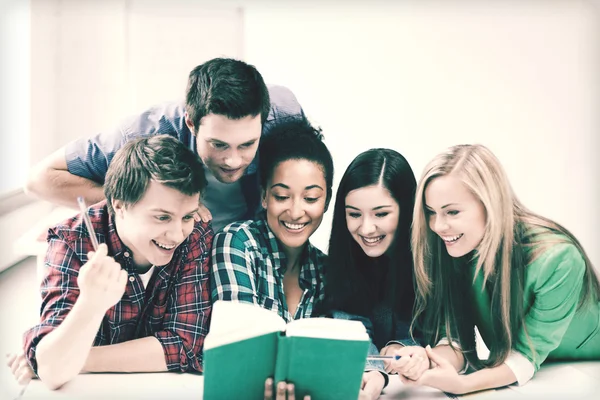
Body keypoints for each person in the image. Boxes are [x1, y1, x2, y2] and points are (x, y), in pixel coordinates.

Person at [9, 135, 213, 389]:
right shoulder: (72, 241)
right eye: (162, 218)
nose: (176, 235)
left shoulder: (196, 234)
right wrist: (91, 304)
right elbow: (52, 372)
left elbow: (185, 344)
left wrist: (77, 358)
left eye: (187, 217)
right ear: (119, 204)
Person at [400, 144, 600, 395]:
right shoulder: (457, 247)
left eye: (452, 211)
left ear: (490, 204)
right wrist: (425, 360)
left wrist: (464, 385)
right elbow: (455, 339)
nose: (438, 226)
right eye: (431, 212)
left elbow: (525, 358)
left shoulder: (558, 258)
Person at [24, 57, 305, 232]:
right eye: (218, 145)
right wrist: (152, 203)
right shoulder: (147, 132)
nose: (232, 160)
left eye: (246, 145)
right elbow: (40, 180)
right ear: (191, 123)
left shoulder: (285, 116)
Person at [211, 117, 333, 399]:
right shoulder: (237, 243)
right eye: (282, 196)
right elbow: (240, 350)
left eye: (311, 199)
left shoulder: (325, 269)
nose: (295, 211)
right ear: (264, 196)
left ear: (326, 202)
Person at [320, 148, 423, 399]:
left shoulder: (431, 261)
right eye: (354, 214)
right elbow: (351, 327)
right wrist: (373, 370)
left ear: (406, 209)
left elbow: (445, 336)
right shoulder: (343, 261)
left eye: (381, 214)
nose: (366, 228)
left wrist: (402, 347)